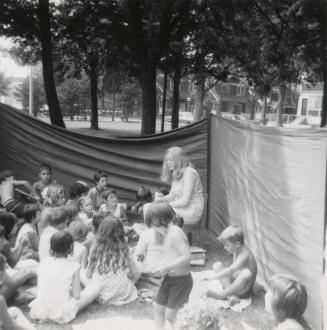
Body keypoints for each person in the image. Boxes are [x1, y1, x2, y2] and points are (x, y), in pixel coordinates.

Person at [30, 231, 99, 324]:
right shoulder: (73, 265)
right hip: (61, 312)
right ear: (70, 247)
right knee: (94, 289)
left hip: (41, 311)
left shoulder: (44, 262)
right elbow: (76, 295)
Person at [144, 202, 193, 330]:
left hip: (181, 281)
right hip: (169, 278)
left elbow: (186, 257)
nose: (154, 230)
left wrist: (167, 267)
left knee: (171, 315)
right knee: (158, 306)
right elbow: (171, 254)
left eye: (154, 226)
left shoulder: (175, 233)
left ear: (161, 220)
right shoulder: (167, 233)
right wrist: (159, 265)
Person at [86, 216, 138, 305]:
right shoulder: (125, 249)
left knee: (82, 273)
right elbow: (134, 273)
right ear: (121, 231)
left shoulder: (95, 248)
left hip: (102, 294)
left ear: (101, 231)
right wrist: (132, 280)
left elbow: (88, 274)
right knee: (137, 266)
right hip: (124, 292)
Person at [203, 225, 257, 301]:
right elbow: (232, 270)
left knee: (246, 273)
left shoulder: (244, 254)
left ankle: (222, 295)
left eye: (227, 245)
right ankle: (232, 296)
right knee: (217, 265)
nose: (225, 247)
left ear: (237, 244)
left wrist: (213, 277)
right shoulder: (236, 250)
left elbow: (230, 270)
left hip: (244, 289)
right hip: (235, 282)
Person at [159, 146, 204, 225]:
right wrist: (161, 200)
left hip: (191, 212)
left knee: (159, 213)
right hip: (180, 208)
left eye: (171, 160)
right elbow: (171, 195)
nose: (168, 163)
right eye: (167, 160)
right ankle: (156, 235)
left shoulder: (189, 172)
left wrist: (167, 205)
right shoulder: (176, 173)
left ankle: (166, 236)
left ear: (178, 160)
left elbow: (185, 202)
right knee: (154, 209)